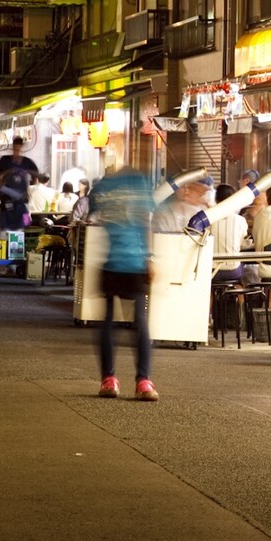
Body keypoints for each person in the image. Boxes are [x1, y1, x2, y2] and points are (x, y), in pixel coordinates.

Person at [91, 151, 158, 401]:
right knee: (139, 323)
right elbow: (145, 222)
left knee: (108, 323)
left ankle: (109, 379)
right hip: (134, 262)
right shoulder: (139, 183)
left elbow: (94, 213)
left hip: (110, 261)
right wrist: (150, 258)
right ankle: (143, 381)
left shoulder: (104, 186)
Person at [0, 137, 38, 232]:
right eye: (14, 150)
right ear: (12, 147)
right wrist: (8, 173)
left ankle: (24, 239)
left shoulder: (27, 162)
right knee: (5, 231)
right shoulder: (4, 161)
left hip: (22, 202)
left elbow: (36, 177)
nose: (16, 152)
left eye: (18, 150)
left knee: (26, 224)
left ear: (22, 148)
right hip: (7, 203)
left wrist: (30, 186)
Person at [210, 183, 248, 284]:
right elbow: (243, 243)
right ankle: (241, 298)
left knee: (210, 287)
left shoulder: (209, 219)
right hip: (233, 270)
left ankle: (210, 299)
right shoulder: (240, 220)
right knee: (241, 276)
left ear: (216, 199)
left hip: (212, 271)